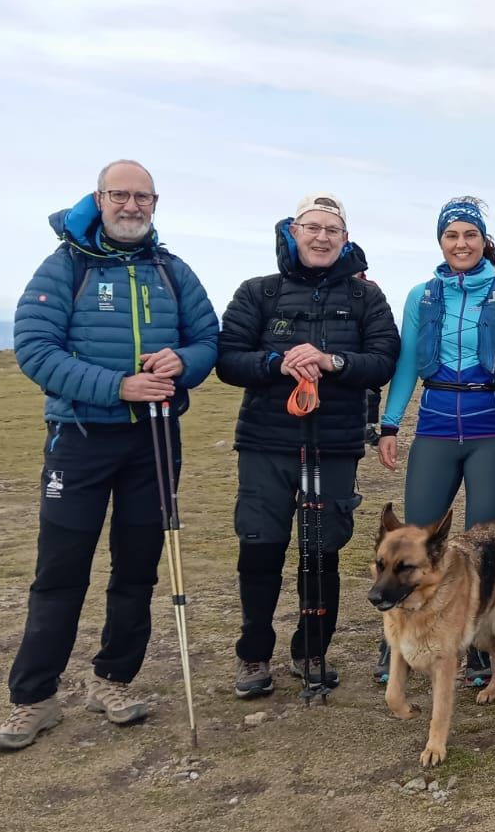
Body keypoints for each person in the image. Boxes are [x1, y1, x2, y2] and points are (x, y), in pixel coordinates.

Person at [0, 161, 219, 751]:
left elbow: (207, 340)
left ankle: (113, 679)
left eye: (142, 196)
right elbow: (35, 350)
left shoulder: (172, 269)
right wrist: (116, 386)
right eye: (120, 194)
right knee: (60, 571)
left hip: (155, 439)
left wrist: (182, 364)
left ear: (155, 202)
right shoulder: (65, 265)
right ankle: (33, 698)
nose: (131, 205)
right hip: (81, 438)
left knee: (139, 566)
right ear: (100, 197)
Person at [217, 193, 400, 697]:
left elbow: (383, 358)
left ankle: (311, 650)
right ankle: (254, 654)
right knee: (259, 549)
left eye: (332, 230)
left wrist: (332, 362)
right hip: (265, 443)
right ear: (292, 232)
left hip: (334, 445)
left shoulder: (367, 298)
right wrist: (278, 363)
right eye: (311, 227)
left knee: (322, 551)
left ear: (345, 239)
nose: (321, 237)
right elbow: (229, 359)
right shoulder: (258, 292)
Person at [373, 197, 495, 686]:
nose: (461, 244)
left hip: (491, 426)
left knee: (481, 541)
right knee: (413, 538)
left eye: (470, 235)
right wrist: (390, 423)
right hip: (435, 423)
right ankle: (393, 642)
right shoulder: (423, 296)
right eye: (452, 235)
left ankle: (475, 643)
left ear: (484, 242)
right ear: (441, 241)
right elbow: (409, 362)